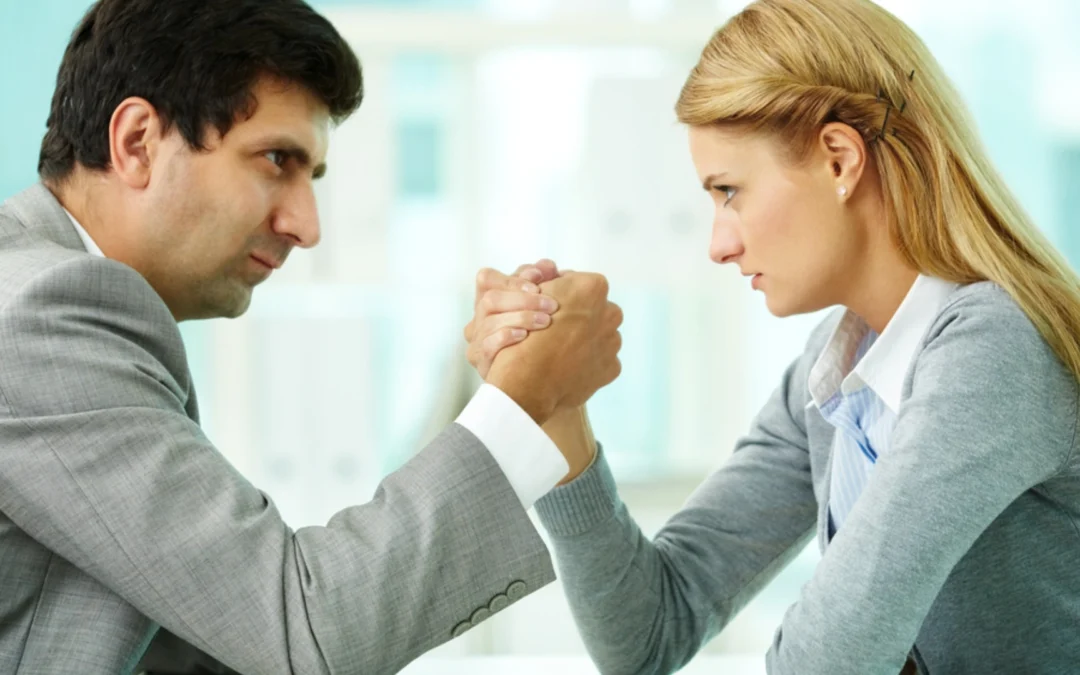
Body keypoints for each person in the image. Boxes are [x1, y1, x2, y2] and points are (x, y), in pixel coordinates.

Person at [0, 0, 623, 673]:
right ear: (137, 143)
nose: (306, 224)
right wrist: (522, 399)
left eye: (312, 176)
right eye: (276, 159)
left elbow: (200, 644)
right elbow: (300, 630)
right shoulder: (43, 309)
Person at [466, 0, 1080, 673]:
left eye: (730, 190)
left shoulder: (992, 347)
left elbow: (826, 662)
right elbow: (646, 633)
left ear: (840, 159)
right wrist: (557, 407)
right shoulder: (834, 369)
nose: (719, 244)